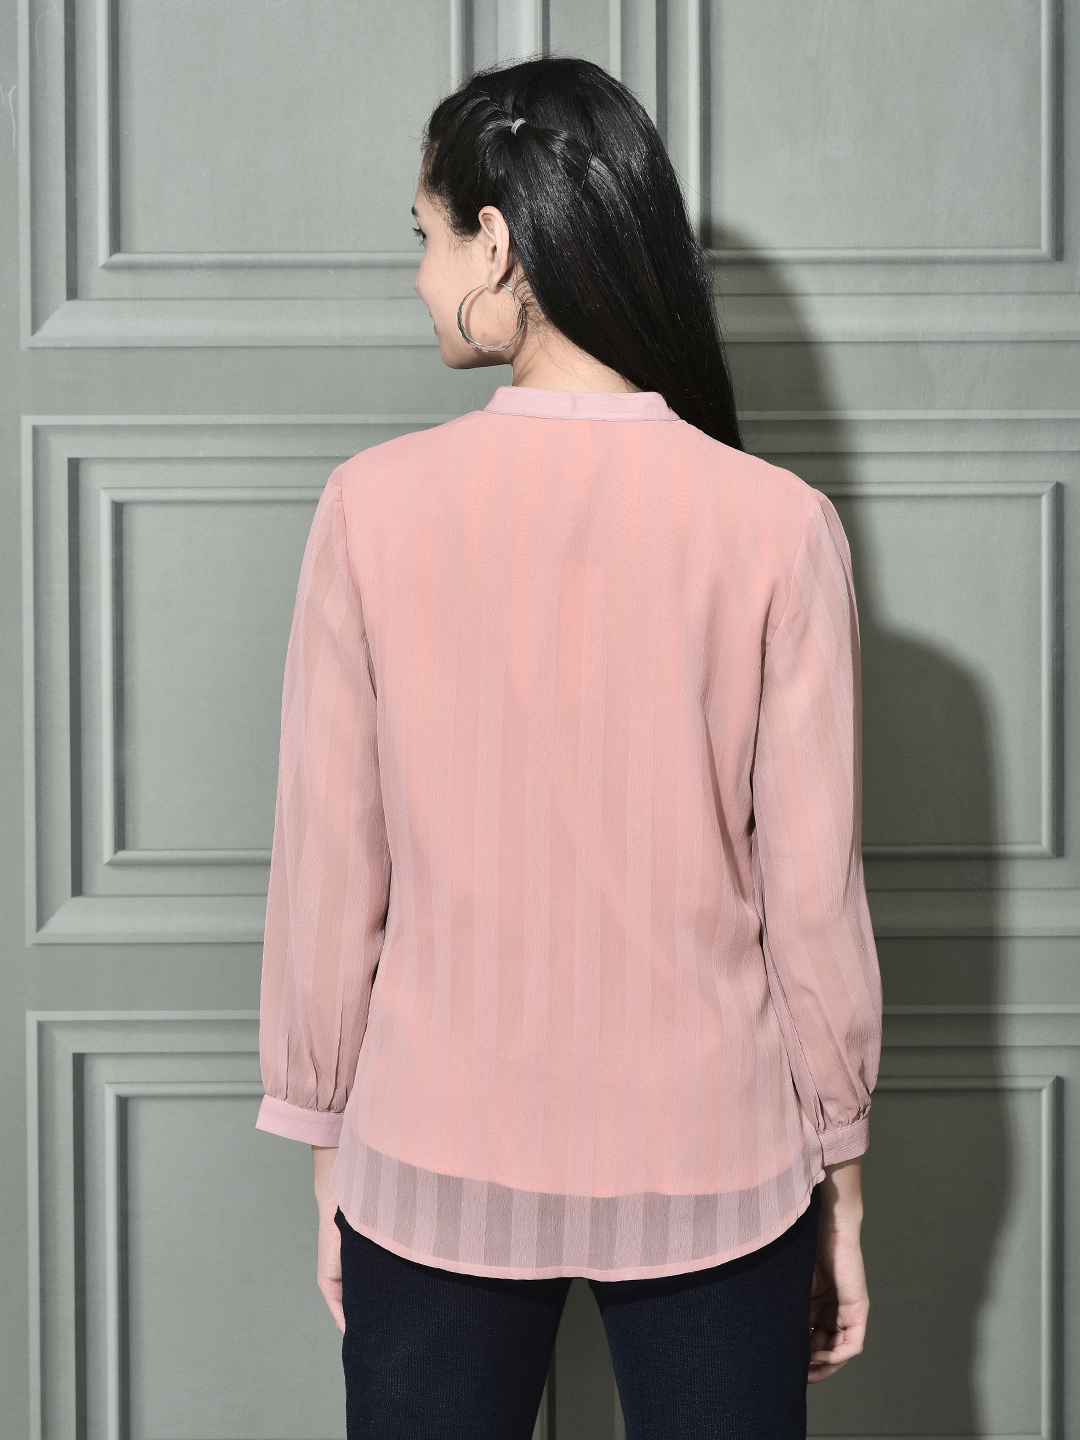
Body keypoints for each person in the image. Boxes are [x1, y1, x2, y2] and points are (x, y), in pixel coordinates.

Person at [255, 54, 883, 1440]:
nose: (419, 277)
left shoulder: (370, 509)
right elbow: (812, 906)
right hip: (719, 1164)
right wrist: (840, 1183)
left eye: (426, 238)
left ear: (497, 244)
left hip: (433, 1158)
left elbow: (329, 875)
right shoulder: (778, 526)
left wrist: (329, 1154)